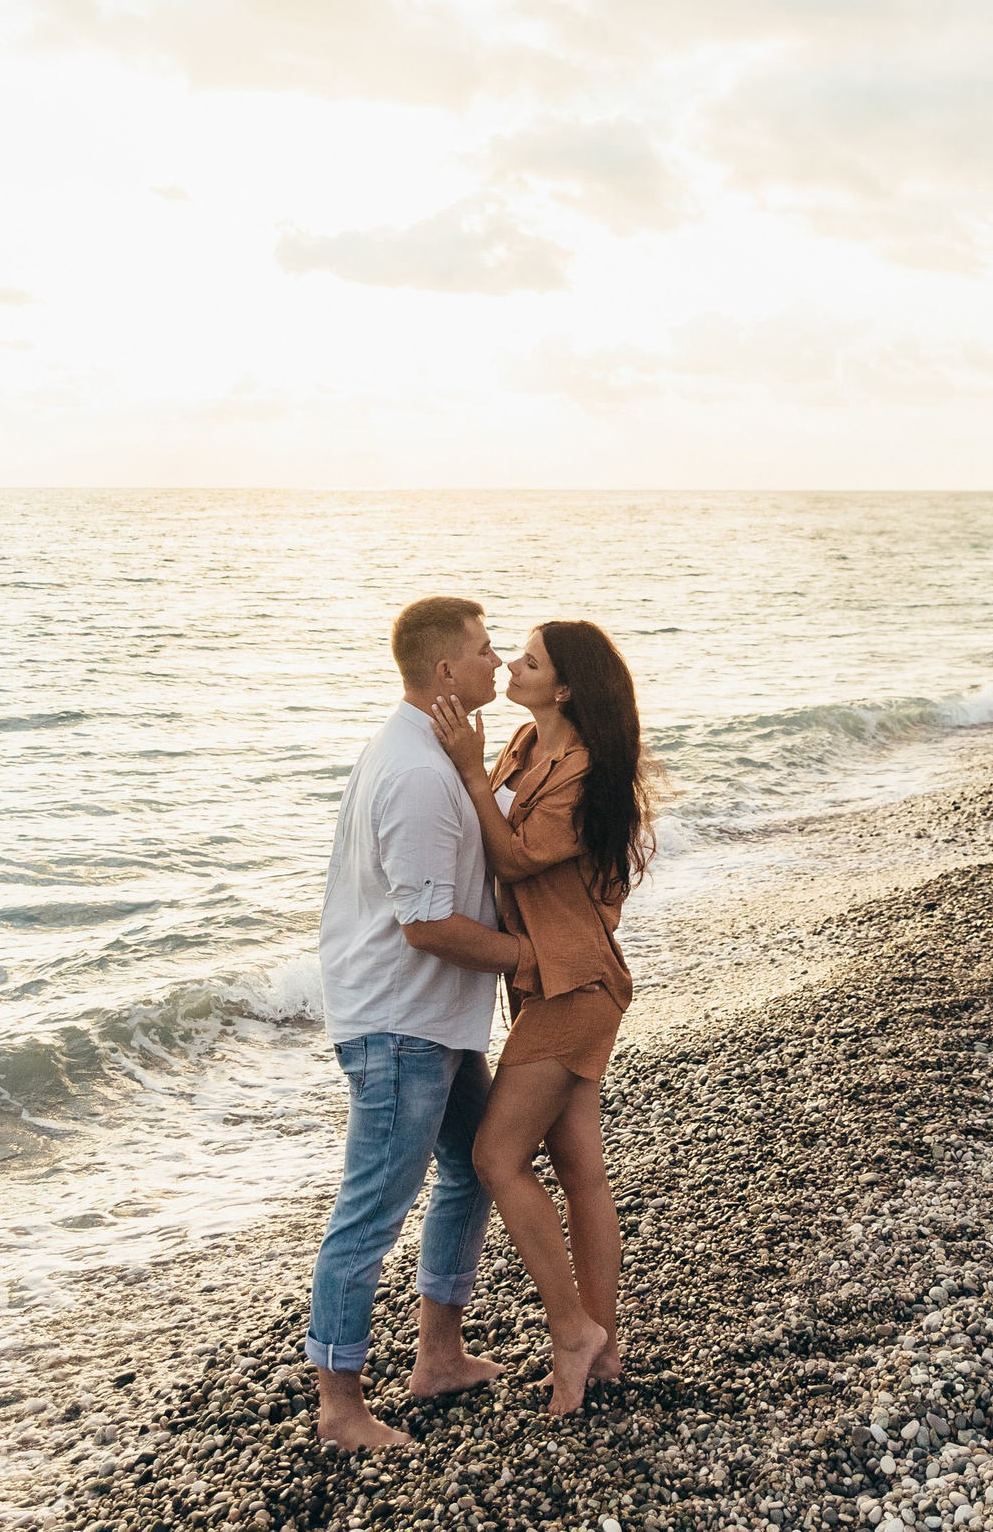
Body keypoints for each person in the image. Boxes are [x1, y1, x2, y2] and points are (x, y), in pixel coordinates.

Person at [305, 596, 529, 1450]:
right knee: (371, 1208)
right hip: (398, 1026)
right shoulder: (417, 773)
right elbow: (428, 923)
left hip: (433, 1020)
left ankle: (438, 1356)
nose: (495, 660)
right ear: (445, 672)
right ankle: (340, 1406)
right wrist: (529, 958)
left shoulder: (428, 749)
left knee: (480, 1163)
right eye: (483, 649)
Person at [428, 620, 655, 1416]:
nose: (512, 667)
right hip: (548, 982)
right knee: (578, 1162)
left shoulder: (585, 768)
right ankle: (606, 1344)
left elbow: (516, 856)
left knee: (495, 1155)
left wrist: (462, 768)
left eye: (529, 661)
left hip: (574, 984)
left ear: (563, 686)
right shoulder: (526, 743)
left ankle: (572, 1333)